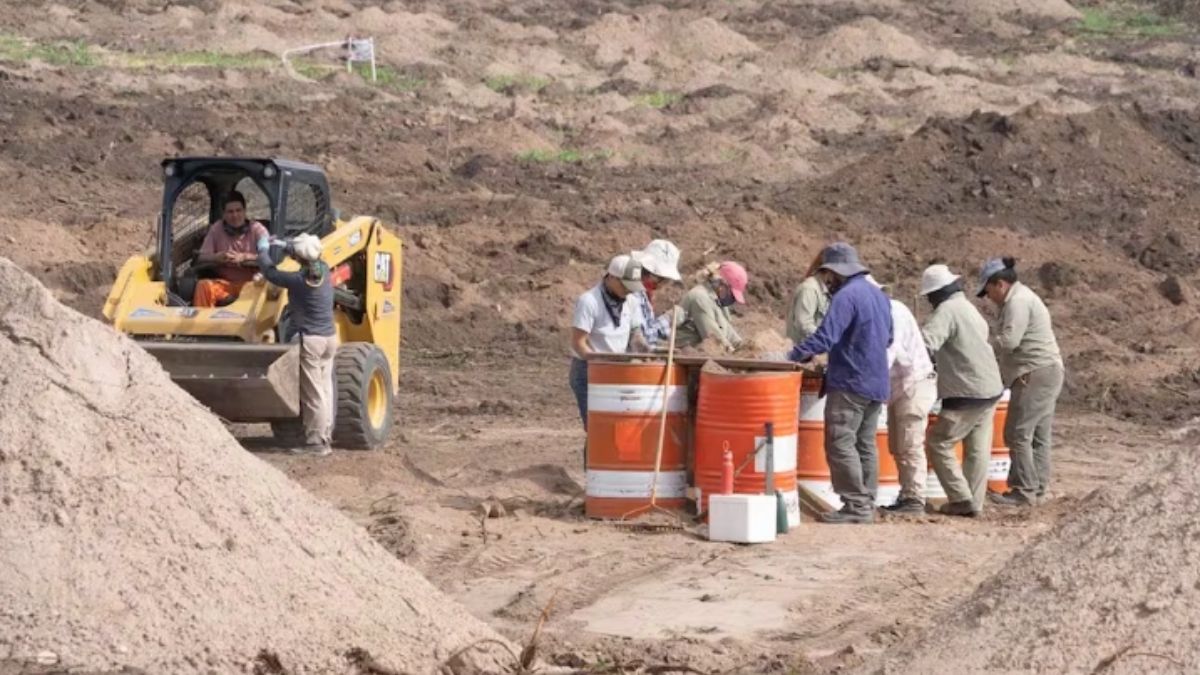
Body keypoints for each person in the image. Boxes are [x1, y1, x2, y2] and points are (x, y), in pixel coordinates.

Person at [786, 243, 893, 524]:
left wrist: (793, 355)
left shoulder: (846, 296)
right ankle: (867, 502)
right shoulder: (878, 296)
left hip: (851, 381)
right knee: (865, 444)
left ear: (833, 272)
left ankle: (855, 506)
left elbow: (825, 337)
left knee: (840, 442)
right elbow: (889, 337)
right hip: (877, 381)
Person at [919, 264, 1004, 517]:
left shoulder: (947, 311)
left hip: (966, 391)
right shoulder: (968, 308)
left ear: (937, 293)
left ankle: (960, 498)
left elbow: (927, 343)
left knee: (939, 442)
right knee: (977, 450)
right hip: (990, 387)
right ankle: (974, 504)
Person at [978, 257, 1064, 507]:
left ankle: (1023, 491)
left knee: (1018, 432)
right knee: (1038, 434)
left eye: (988, 291)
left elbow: (1009, 341)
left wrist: (981, 348)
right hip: (1046, 371)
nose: (988, 297)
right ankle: (1035, 489)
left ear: (1000, 284)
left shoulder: (1017, 302)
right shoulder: (1023, 298)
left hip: (1034, 373)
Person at [255, 232, 337, 456]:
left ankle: (316, 443)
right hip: (329, 338)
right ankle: (325, 434)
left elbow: (271, 273)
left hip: (310, 340)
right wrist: (283, 244)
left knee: (313, 394)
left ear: (299, 258)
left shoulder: (298, 282)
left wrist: (263, 250)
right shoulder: (325, 270)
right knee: (325, 388)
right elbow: (304, 255)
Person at [868, 276, 938, 516]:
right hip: (900, 386)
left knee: (910, 442)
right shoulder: (882, 312)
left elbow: (889, 352)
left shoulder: (894, 313)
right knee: (898, 444)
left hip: (914, 385)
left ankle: (915, 499)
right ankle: (907, 494)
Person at [569, 254, 644, 433]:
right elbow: (578, 342)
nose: (629, 291)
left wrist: (644, 350)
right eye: (625, 286)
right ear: (612, 277)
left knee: (616, 425)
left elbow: (635, 333)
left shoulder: (631, 301)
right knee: (597, 428)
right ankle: (592, 461)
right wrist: (599, 361)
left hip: (617, 368)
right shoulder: (589, 302)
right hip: (588, 370)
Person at [194, 191, 269, 307]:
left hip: (253, 284)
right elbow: (201, 257)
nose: (235, 215)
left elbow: (271, 257)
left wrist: (245, 257)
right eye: (230, 212)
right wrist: (216, 257)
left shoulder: (257, 230)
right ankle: (200, 323)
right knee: (203, 286)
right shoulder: (216, 229)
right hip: (225, 285)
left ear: (245, 211)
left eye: (238, 210)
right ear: (223, 214)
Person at [674, 261, 747, 352]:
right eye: (732, 295)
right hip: (681, 354)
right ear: (722, 285)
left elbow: (730, 335)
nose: (732, 300)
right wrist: (735, 353)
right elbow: (715, 339)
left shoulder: (717, 302)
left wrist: (746, 349)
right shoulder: (700, 298)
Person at [631, 239, 683, 351]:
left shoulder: (645, 294)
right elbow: (645, 336)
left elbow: (648, 329)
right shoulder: (634, 294)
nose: (665, 284)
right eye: (664, 279)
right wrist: (667, 319)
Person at [785, 252, 833, 344]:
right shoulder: (809, 289)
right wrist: (828, 339)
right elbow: (804, 325)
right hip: (801, 353)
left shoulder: (825, 291)